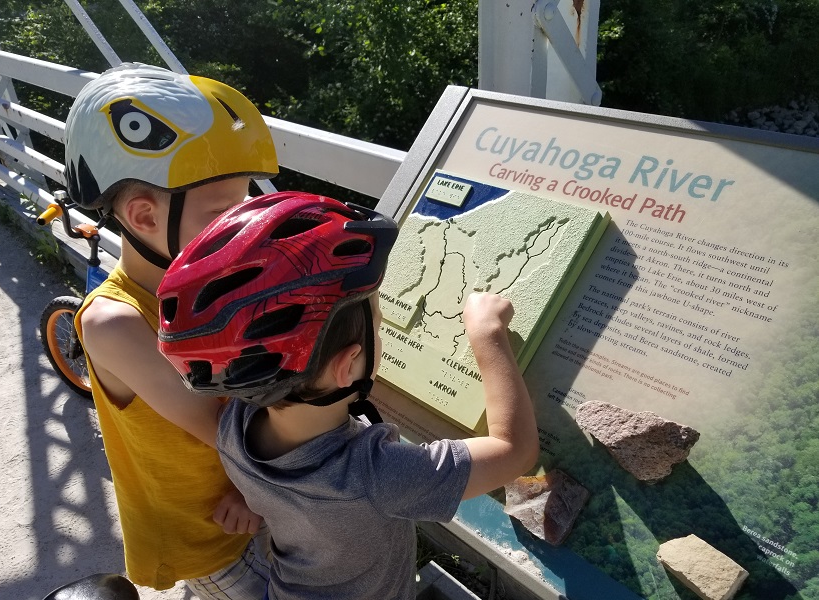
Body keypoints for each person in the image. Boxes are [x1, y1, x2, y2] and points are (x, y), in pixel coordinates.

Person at [155, 191, 540, 600]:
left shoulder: (233, 427)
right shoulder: (377, 475)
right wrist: (487, 335)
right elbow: (514, 451)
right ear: (348, 365)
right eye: (378, 319)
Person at [68, 63, 279, 598]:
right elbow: (231, 432)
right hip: (208, 537)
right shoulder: (117, 323)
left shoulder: (215, 282)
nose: (246, 223)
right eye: (225, 211)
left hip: (259, 501)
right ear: (142, 217)